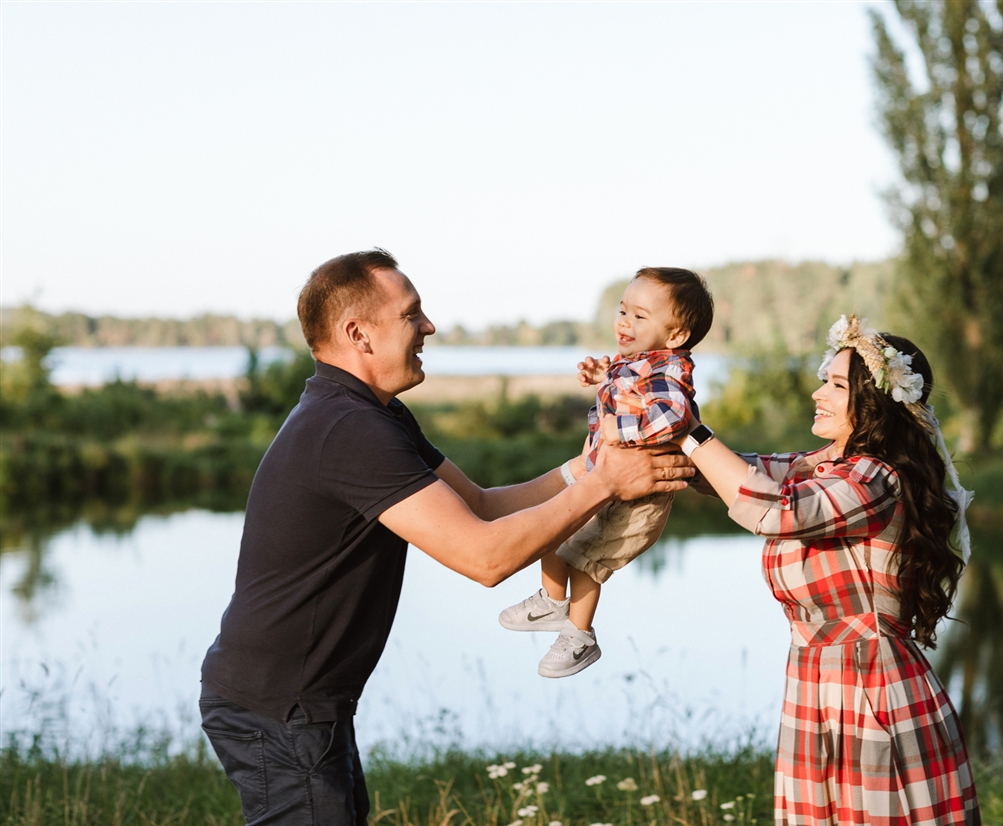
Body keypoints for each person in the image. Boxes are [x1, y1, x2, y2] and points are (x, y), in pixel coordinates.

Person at [199, 249, 691, 826]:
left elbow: (480, 506)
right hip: (280, 707)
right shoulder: (349, 429)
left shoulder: (374, 414)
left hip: (303, 703)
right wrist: (604, 485)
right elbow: (483, 557)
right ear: (359, 334)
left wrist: (588, 469)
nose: (430, 327)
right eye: (412, 314)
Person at [675, 315, 980, 825]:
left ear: (876, 401)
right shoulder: (818, 466)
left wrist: (692, 431)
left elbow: (776, 510)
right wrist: (653, 400)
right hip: (816, 684)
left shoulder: (875, 477)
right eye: (825, 379)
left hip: (873, 688)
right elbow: (724, 474)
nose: (818, 393)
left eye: (836, 384)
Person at [497, 267, 714, 678]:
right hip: (605, 481)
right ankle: (551, 601)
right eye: (622, 310)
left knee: (587, 561)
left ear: (676, 336)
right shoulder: (637, 364)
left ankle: (579, 636)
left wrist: (622, 428)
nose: (624, 322)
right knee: (551, 526)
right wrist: (603, 377)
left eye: (639, 316)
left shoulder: (668, 373)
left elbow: (674, 416)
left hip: (639, 497)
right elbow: (625, 387)